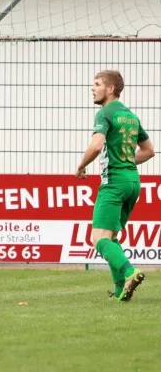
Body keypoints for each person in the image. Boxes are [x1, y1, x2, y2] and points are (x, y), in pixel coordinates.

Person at [75, 70, 155, 302]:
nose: (93, 88)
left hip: (114, 183)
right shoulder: (130, 116)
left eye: (97, 84)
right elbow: (149, 150)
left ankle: (131, 272)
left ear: (111, 89)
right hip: (133, 182)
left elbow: (96, 146)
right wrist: (127, 159)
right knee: (110, 237)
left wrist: (80, 167)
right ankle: (120, 290)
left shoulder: (105, 113)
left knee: (98, 239)